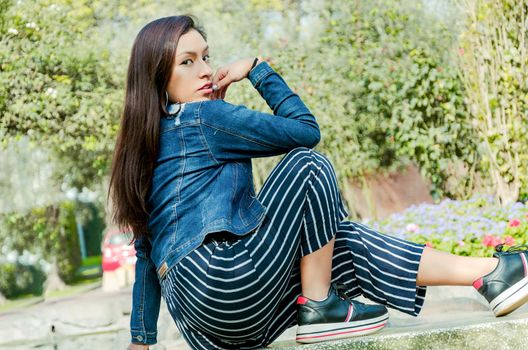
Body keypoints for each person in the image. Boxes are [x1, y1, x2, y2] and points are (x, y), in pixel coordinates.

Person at [108, 15, 528, 350]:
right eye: (187, 61)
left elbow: (147, 256)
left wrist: (140, 341)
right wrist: (256, 69)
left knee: (336, 243)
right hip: (225, 279)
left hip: (209, 325)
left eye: (205, 57)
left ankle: (490, 275)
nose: (204, 70)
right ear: (158, 76)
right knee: (308, 165)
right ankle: (320, 308)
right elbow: (305, 130)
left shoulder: (145, 148)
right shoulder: (203, 118)